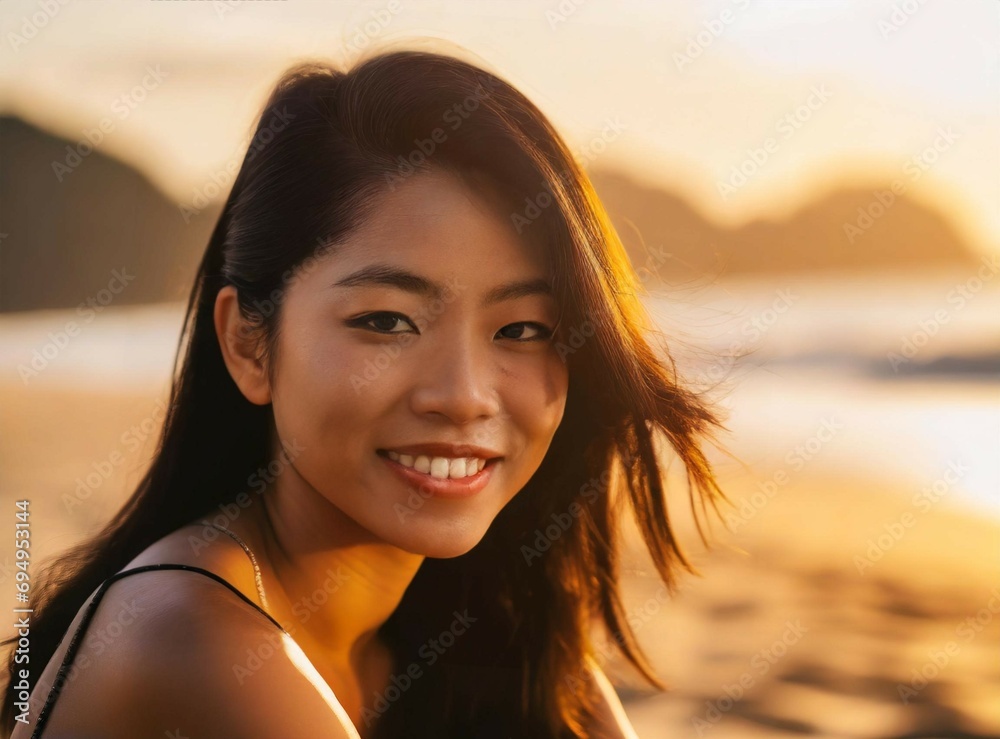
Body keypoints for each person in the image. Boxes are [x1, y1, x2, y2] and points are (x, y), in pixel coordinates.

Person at [2, 45, 726, 738]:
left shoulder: (487, 630)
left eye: (524, 329)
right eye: (387, 320)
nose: (465, 395)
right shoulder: (188, 625)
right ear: (249, 344)